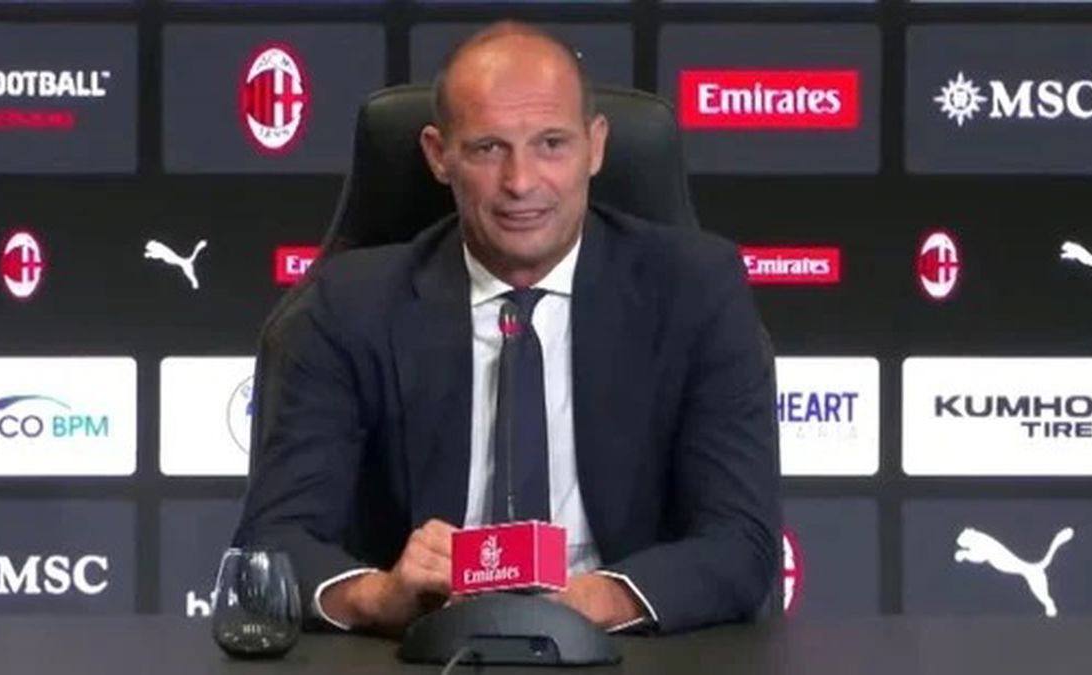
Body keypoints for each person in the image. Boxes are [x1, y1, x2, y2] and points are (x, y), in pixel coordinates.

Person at [234, 20, 780, 637]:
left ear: (596, 146)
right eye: (488, 148)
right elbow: (272, 543)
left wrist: (592, 602)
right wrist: (380, 596)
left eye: (552, 144)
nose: (521, 182)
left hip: (625, 650)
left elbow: (741, 541)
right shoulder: (352, 303)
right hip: (421, 652)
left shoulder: (695, 290)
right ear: (439, 155)